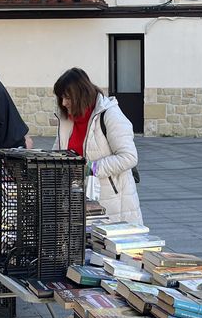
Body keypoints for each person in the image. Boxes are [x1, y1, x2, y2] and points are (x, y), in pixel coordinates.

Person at [53, 67, 141, 224]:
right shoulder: (66, 119)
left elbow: (129, 157)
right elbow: (57, 153)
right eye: (61, 98)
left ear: (81, 95)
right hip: (76, 203)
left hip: (112, 205)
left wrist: (92, 169)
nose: (63, 103)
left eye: (68, 98)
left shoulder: (110, 115)